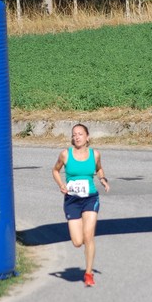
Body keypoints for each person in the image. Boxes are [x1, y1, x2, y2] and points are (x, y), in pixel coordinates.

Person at [52, 123, 110, 287]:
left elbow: (99, 169)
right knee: (78, 242)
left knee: (89, 236)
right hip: (72, 200)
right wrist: (61, 185)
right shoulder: (65, 154)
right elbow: (55, 170)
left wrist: (103, 179)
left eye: (80, 134)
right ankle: (86, 248)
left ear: (87, 137)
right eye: (74, 134)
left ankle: (88, 273)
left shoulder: (95, 154)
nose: (77, 137)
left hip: (90, 198)